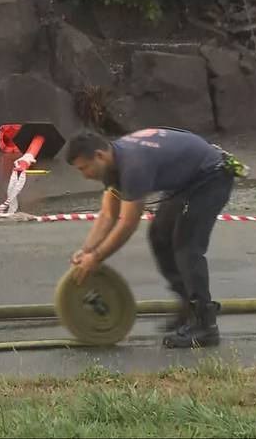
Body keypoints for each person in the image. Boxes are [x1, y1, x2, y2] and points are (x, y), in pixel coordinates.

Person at [65, 127, 244, 348]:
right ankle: (188, 307)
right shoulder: (113, 164)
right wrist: (87, 250)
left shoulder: (133, 166)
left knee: (187, 247)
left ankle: (204, 325)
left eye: (85, 168)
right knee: (159, 235)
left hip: (211, 177)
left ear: (99, 156)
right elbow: (108, 214)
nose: (84, 175)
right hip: (186, 181)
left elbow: (128, 223)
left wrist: (97, 257)